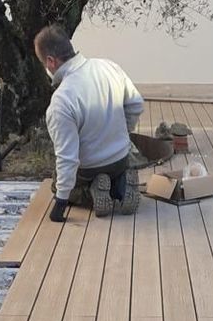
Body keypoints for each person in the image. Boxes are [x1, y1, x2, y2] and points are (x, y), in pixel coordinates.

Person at [34, 25, 144, 222]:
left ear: (50, 61)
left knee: (56, 180)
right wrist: (124, 132)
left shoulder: (62, 100)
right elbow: (136, 103)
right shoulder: (108, 66)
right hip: (121, 158)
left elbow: (67, 158)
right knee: (112, 169)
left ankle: (94, 193)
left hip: (89, 168)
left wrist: (60, 204)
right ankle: (120, 184)